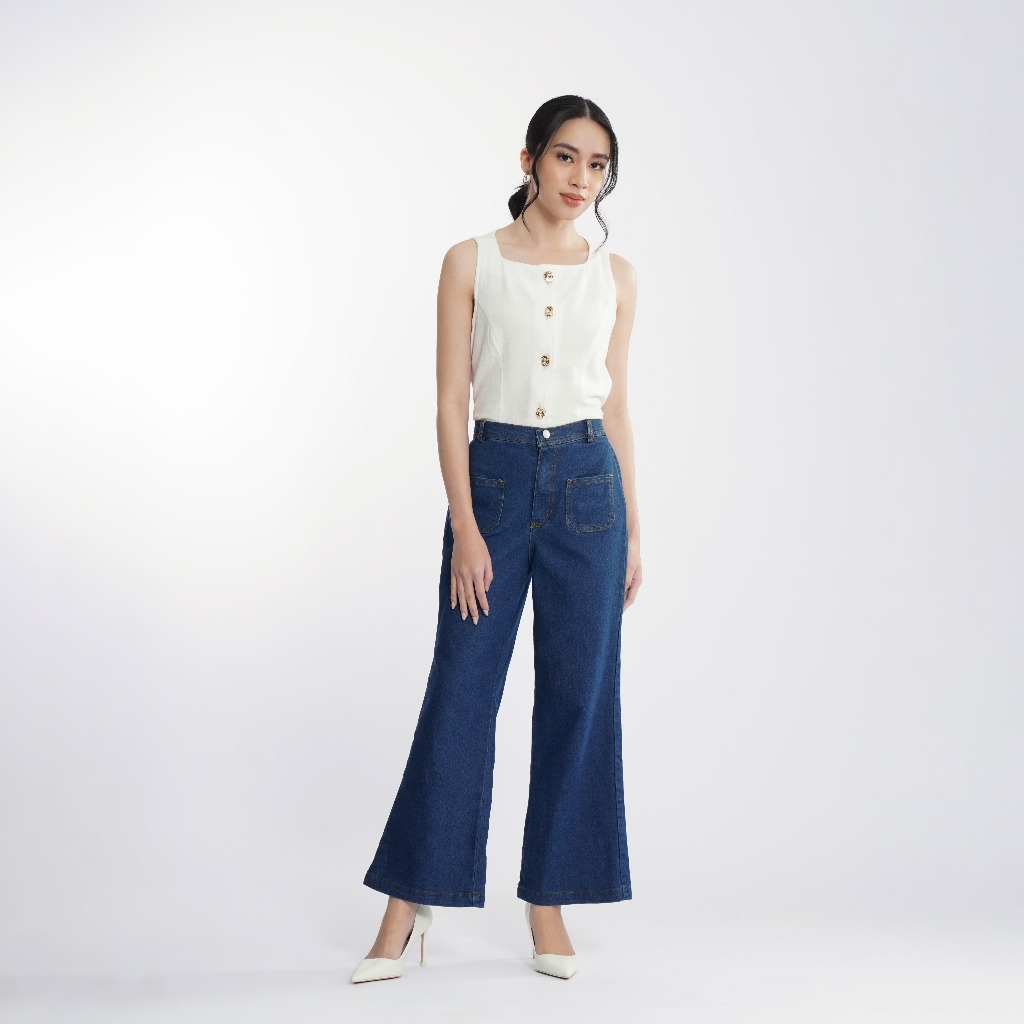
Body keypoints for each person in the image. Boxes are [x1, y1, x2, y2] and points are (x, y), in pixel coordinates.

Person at [350, 94, 642, 984]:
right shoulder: (469, 260)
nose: (580, 179)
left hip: (591, 491)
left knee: (578, 698)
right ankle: (409, 900)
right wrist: (467, 527)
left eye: (597, 165)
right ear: (529, 160)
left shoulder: (616, 276)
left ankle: (548, 899)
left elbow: (617, 408)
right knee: (461, 692)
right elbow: (451, 401)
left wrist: (634, 530)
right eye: (565, 157)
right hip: (498, 484)